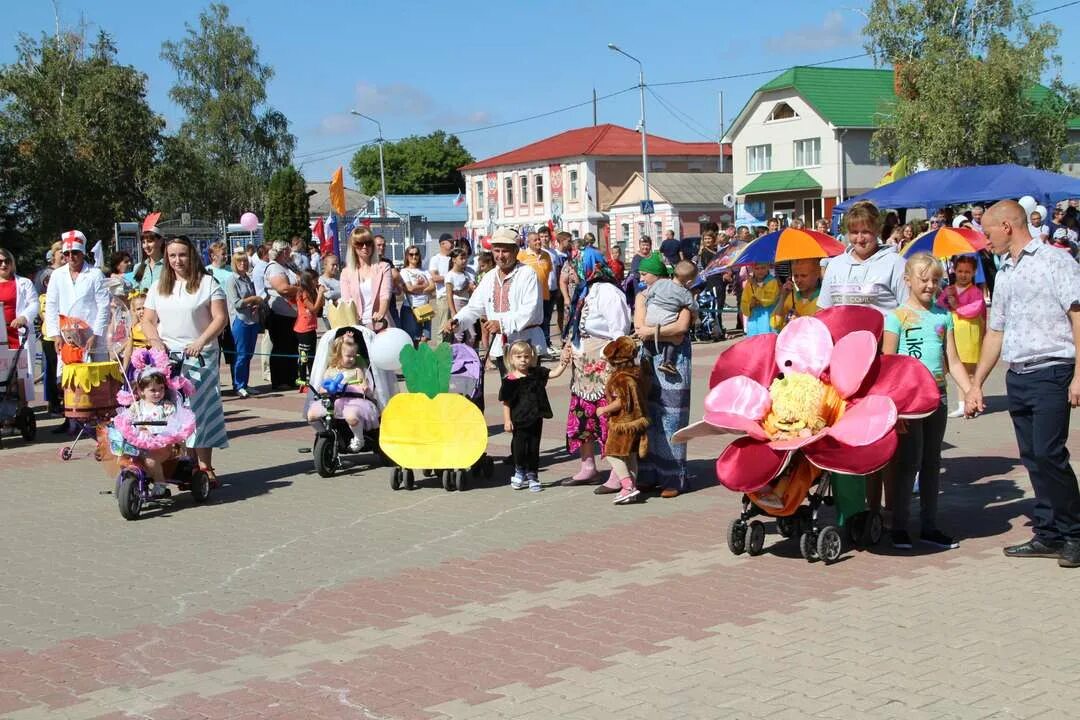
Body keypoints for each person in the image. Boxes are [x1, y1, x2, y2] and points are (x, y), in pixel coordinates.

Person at [965, 200, 1080, 568]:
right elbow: (995, 332)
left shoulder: (1055, 261)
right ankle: (1047, 533)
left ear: (1007, 227)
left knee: (1050, 454)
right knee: (1032, 458)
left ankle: (1075, 533)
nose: (986, 240)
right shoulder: (1006, 272)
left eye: (988, 232)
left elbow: (1077, 317)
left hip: (1053, 369)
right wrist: (976, 383)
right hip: (1019, 375)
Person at [884, 253, 970, 551]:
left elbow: (954, 361)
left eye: (935, 280)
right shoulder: (895, 317)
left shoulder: (943, 316)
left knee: (932, 462)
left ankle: (929, 526)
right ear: (907, 280)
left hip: (939, 396)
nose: (931, 286)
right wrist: (895, 409)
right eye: (924, 279)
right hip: (909, 402)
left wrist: (971, 390)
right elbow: (889, 365)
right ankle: (899, 526)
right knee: (908, 463)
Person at [142, 235, 229, 483]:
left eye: (182, 254)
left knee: (199, 411)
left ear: (191, 255)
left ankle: (205, 466)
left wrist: (201, 341)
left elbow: (220, 318)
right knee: (173, 410)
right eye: (172, 255)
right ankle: (182, 463)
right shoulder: (159, 287)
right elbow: (147, 320)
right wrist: (156, 342)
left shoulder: (207, 283)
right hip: (169, 358)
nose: (177, 260)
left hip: (200, 356)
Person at [561, 247, 632, 489]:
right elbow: (577, 327)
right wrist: (570, 346)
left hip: (603, 364)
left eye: (576, 267)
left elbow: (619, 332)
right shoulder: (585, 290)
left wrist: (614, 363)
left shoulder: (609, 292)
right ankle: (588, 466)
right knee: (583, 417)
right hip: (583, 366)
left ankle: (617, 472)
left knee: (607, 417)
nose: (572, 273)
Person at [441, 227, 546, 373]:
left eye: (505, 251)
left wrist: (502, 324)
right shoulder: (489, 277)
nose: (500, 255)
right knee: (507, 392)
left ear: (516, 251)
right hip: (503, 347)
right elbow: (474, 307)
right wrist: (457, 321)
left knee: (529, 393)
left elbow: (530, 310)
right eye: (497, 250)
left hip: (526, 346)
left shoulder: (527, 274)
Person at [633, 257, 694, 498]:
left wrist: (652, 332)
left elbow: (681, 329)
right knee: (649, 415)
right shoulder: (642, 297)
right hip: (649, 359)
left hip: (675, 362)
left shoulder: (681, 293)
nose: (642, 279)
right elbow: (639, 327)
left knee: (672, 416)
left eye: (645, 275)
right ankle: (648, 474)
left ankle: (674, 477)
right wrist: (654, 333)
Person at [44, 231, 110, 426]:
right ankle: (72, 417)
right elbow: (52, 305)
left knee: (94, 376)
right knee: (68, 375)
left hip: (91, 333)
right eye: (67, 254)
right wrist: (55, 334)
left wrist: (96, 334)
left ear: (82, 254)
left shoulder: (95, 274)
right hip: (67, 334)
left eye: (75, 253)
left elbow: (103, 305)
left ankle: (97, 417)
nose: (71, 257)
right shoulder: (57, 275)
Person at [500, 340, 569, 492]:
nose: (523, 360)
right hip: (518, 420)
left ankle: (533, 476)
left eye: (526, 356)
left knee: (533, 448)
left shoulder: (537, 373)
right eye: (518, 357)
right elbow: (506, 403)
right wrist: (507, 420)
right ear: (511, 358)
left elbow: (555, 373)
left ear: (531, 357)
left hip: (535, 419)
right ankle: (519, 470)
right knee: (519, 449)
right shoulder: (509, 380)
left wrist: (563, 362)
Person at [818, 200, 907, 314]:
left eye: (865, 232)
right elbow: (823, 312)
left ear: (877, 230)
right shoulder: (835, 265)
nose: (860, 239)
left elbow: (909, 311)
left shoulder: (896, 264)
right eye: (854, 232)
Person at [595, 335, 649, 505]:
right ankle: (631, 488)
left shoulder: (621, 378)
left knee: (612, 453)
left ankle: (627, 486)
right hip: (637, 421)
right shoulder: (637, 373)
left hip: (623, 423)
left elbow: (622, 401)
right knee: (631, 456)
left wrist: (604, 409)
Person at [306, 328, 379, 452]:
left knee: (351, 416)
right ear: (338, 355)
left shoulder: (357, 370)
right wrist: (324, 390)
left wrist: (364, 386)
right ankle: (324, 434)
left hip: (353, 400)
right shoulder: (331, 370)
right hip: (334, 400)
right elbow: (324, 385)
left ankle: (358, 438)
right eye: (348, 356)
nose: (351, 359)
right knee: (311, 415)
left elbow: (364, 382)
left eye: (353, 356)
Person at [937, 255, 986, 418]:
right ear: (954, 271)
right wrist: (947, 299)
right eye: (960, 271)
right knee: (956, 369)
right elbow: (939, 307)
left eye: (967, 271)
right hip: (954, 332)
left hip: (970, 333)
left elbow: (975, 309)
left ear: (973, 273)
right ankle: (962, 403)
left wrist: (956, 305)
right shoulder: (949, 289)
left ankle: (972, 402)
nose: (963, 274)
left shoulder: (976, 292)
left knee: (970, 371)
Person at [124, 368, 183, 496]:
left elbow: (173, 425)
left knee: (150, 460)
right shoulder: (136, 406)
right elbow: (126, 420)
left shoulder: (166, 407)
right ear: (141, 391)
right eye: (153, 390)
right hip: (138, 444)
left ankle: (160, 482)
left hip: (161, 445)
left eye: (161, 389)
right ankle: (128, 484)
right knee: (124, 457)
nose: (158, 393)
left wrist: (152, 430)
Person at [639, 255, 698, 375]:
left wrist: (649, 304)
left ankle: (646, 353)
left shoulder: (661, 283)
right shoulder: (685, 293)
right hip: (665, 320)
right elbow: (693, 307)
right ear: (689, 282)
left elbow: (650, 293)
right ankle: (667, 361)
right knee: (674, 339)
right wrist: (696, 317)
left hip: (650, 317)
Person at [0, 247, 39, 403]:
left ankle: (22, 406)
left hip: (17, 333)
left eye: (7, 261)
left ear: (12, 263)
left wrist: (24, 316)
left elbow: (34, 304)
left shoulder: (24, 283)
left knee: (21, 372)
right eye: (0, 262)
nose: (3, 265)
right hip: (1, 336)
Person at [224, 252, 263, 398]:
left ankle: (245, 383)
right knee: (240, 354)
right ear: (234, 264)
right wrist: (252, 298)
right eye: (240, 262)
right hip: (240, 320)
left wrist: (255, 304)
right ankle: (238, 384)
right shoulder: (232, 280)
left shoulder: (248, 278)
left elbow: (249, 300)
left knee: (249, 354)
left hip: (252, 319)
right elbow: (237, 303)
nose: (243, 264)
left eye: (245, 262)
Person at [340, 227, 394, 333]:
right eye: (360, 243)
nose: (365, 247)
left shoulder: (384, 267)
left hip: (380, 324)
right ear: (353, 246)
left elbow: (385, 296)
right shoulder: (346, 273)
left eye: (368, 243)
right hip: (356, 326)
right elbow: (347, 301)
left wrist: (381, 313)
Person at [263, 240, 300, 390]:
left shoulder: (286, 266)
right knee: (281, 346)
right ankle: (279, 380)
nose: (289, 253)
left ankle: (291, 378)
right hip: (279, 313)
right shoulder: (274, 268)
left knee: (291, 346)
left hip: (291, 313)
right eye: (287, 251)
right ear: (282, 251)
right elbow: (283, 289)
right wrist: (301, 288)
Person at [518, 232, 553, 349]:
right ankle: (529, 347)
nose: (538, 242)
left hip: (545, 295)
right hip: (529, 298)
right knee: (531, 323)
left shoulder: (546, 255)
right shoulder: (522, 256)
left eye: (539, 239)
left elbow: (547, 274)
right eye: (535, 240)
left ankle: (545, 346)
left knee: (545, 322)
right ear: (529, 242)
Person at [771, 258, 821, 331]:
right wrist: (783, 297)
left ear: (816, 275)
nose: (799, 280)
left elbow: (821, 330)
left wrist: (800, 321)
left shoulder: (822, 300)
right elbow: (775, 323)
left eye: (804, 276)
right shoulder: (791, 297)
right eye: (796, 276)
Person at [294, 270, 325, 385]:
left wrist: (319, 293)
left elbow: (321, 305)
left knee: (312, 354)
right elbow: (314, 309)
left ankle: (312, 377)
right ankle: (302, 378)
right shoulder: (303, 293)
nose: (317, 282)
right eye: (315, 280)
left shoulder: (311, 292)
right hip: (303, 328)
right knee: (304, 355)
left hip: (311, 327)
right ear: (309, 280)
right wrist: (320, 294)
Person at [399, 245, 433, 344]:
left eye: (416, 254)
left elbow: (432, 287)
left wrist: (417, 288)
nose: (414, 256)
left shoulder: (425, 271)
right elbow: (409, 288)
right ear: (407, 256)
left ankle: (420, 359)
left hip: (425, 307)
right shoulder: (404, 271)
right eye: (411, 254)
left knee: (424, 339)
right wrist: (425, 285)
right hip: (410, 308)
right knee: (412, 340)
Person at [428, 233, 455, 345]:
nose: (453, 243)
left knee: (454, 325)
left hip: (455, 296)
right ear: (442, 243)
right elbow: (434, 277)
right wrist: (450, 278)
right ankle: (440, 352)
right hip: (443, 296)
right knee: (443, 325)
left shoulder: (454, 258)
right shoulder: (436, 259)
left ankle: (450, 350)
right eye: (450, 241)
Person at [444, 248, 476, 344]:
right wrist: (454, 312)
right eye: (461, 258)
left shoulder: (466, 273)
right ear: (454, 260)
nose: (464, 260)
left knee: (472, 335)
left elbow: (471, 290)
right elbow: (449, 295)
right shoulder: (450, 275)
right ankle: (456, 356)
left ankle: (468, 355)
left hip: (468, 304)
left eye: (465, 258)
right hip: (458, 304)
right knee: (459, 334)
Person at [740, 263, 780, 337]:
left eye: (763, 268)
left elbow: (770, 299)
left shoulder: (772, 281)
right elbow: (744, 301)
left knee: (767, 340)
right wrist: (749, 305)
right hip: (754, 319)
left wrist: (757, 291)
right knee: (754, 342)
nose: (760, 271)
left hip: (767, 317)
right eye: (757, 268)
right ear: (753, 269)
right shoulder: (749, 284)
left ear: (768, 267)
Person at [373, 235, 401, 327]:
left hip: (390, 304)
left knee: (396, 331)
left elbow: (396, 276)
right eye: (379, 245)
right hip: (375, 307)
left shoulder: (387, 262)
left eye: (384, 245)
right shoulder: (369, 263)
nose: (382, 247)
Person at [121, 291, 150, 373]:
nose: (142, 311)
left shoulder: (156, 326)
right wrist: (124, 368)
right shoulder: (134, 328)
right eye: (138, 309)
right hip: (136, 365)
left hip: (151, 363)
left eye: (144, 308)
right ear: (134, 311)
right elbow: (128, 351)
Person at [134, 224, 166, 292]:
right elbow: (135, 293)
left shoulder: (169, 266)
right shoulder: (138, 267)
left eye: (150, 241)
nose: (146, 246)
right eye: (143, 242)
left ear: (161, 241)